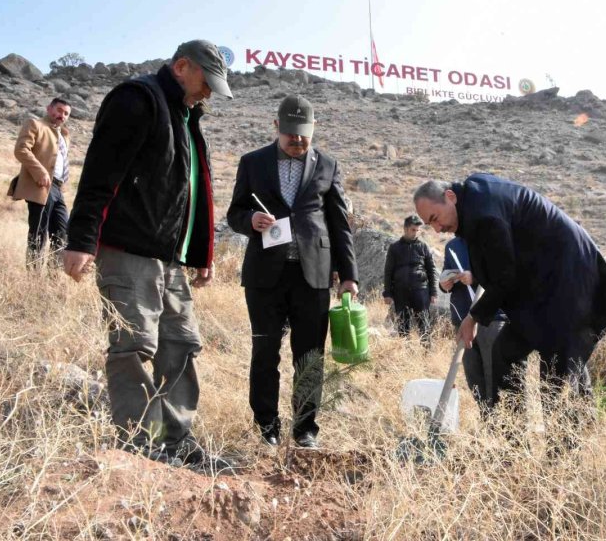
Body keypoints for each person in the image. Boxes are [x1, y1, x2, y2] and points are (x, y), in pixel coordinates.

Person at [63, 40, 233, 469]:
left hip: (168, 257)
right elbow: (101, 171)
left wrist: (200, 253)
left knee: (181, 344)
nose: (209, 93)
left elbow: (189, 191)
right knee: (134, 347)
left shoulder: (186, 116)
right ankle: (142, 449)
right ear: (181, 67)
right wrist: (82, 239)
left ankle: (174, 441)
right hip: (128, 250)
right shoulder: (137, 100)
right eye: (206, 82)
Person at [413, 174, 606, 425]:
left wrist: (472, 319)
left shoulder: (484, 215)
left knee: (555, 376)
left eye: (435, 219)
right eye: (430, 225)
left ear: (450, 197)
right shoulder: (474, 202)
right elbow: (496, 270)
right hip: (538, 292)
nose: (437, 229)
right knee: (505, 353)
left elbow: (503, 278)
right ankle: (511, 436)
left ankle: (561, 455)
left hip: (567, 287)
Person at [227, 95, 358, 450]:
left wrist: (349, 275)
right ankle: (266, 426)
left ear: (313, 131)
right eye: (291, 137)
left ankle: (305, 429)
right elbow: (234, 212)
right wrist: (249, 221)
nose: (297, 143)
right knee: (265, 352)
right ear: (276, 128)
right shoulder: (252, 163)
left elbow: (339, 223)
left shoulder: (328, 166)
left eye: (304, 137)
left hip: (313, 276)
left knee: (310, 356)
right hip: (264, 278)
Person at [440, 235, 507, 415]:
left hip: (491, 317)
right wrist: (445, 284)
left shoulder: (492, 240)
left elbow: (504, 273)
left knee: (496, 376)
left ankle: (504, 425)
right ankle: (487, 420)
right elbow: (446, 273)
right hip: (462, 317)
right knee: (474, 377)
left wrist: (475, 277)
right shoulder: (452, 246)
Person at [8, 98, 72, 267]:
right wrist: (40, 171)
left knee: (62, 233)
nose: (62, 115)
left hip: (58, 188)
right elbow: (21, 149)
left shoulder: (64, 134)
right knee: (39, 233)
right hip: (41, 185)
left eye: (66, 113)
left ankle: (53, 276)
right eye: (59, 110)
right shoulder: (35, 124)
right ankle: (33, 277)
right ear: (49, 108)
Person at [383, 214, 438, 346]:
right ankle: (405, 353)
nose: (416, 233)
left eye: (418, 230)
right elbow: (388, 271)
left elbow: (431, 270)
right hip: (400, 292)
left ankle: (426, 354)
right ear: (405, 229)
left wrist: (433, 293)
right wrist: (388, 293)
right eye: (413, 229)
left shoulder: (423, 247)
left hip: (421, 290)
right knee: (403, 325)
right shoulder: (394, 248)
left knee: (424, 323)